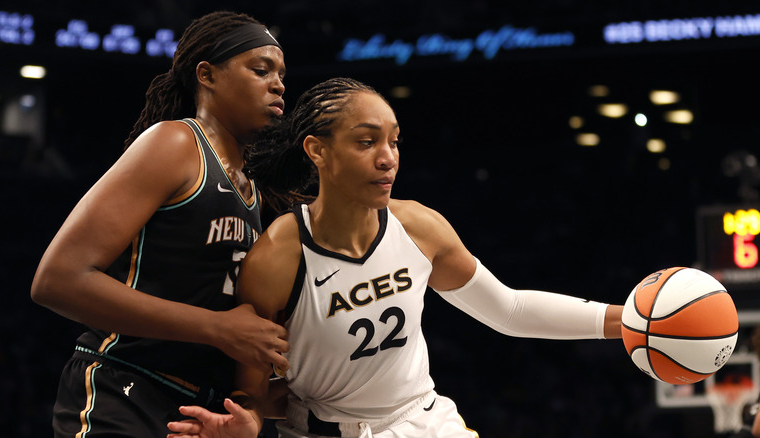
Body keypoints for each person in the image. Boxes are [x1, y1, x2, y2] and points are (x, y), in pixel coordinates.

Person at [165, 77, 624, 438]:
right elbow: (254, 388)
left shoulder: (418, 227)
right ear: (316, 150)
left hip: (425, 421)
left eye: (395, 141)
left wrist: (629, 321)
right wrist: (247, 418)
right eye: (366, 142)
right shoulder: (277, 257)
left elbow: (509, 309)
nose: (388, 159)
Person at [30, 11, 292, 437]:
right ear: (206, 75)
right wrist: (216, 328)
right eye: (261, 70)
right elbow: (57, 279)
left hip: (197, 409)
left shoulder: (257, 190)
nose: (278, 83)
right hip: (122, 387)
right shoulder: (175, 143)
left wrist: (251, 410)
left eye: (281, 74)